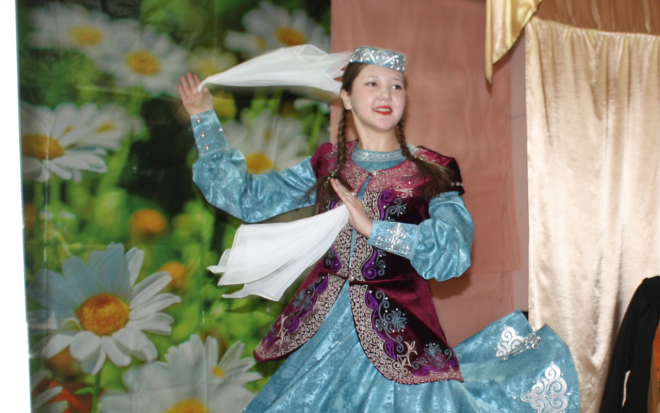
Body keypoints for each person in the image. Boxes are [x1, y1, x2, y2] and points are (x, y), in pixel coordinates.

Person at [179, 47, 580, 413]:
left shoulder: (431, 169)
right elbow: (248, 199)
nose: (386, 94)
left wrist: (376, 229)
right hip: (322, 339)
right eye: (372, 83)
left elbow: (454, 249)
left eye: (396, 85)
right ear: (347, 97)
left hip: (399, 341)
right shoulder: (328, 163)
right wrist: (204, 119)